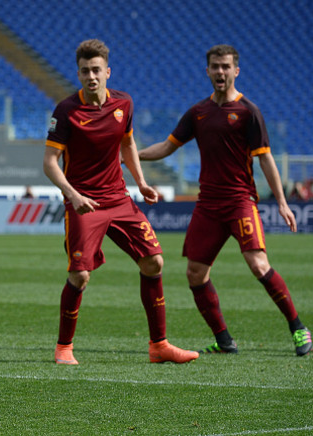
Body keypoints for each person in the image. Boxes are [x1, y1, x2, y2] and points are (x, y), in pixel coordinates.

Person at [138, 44, 312, 356]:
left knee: (258, 264)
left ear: (236, 70)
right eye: (215, 66)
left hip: (239, 201)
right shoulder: (198, 112)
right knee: (195, 273)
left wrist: (283, 203)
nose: (220, 71)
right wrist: (131, 157)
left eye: (226, 66)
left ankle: (298, 327)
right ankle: (224, 340)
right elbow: (167, 147)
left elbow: (266, 159)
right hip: (208, 205)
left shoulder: (249, 112)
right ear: (207, 71)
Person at [43, 39, 199, 365]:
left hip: (119, 198)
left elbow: (128, 144)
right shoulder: (67, 111)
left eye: (97, 70)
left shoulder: (123, 103)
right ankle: (64, 348)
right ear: (79, 73)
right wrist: (72, 195)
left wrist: (141, 182)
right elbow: (49, 162)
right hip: (83, 203)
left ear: (107, 71)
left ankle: (159, 346)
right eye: (85, 71)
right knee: (80, 276)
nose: (91, 76)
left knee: (154, 262)